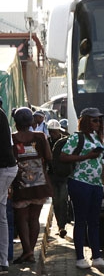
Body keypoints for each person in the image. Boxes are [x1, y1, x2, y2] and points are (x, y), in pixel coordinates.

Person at [60, 107, 104, 270]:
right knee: (80, 221)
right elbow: (63, 156)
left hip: (96, 185)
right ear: (85, 121)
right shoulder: (77, 137)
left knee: (94, 222)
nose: (98, 123)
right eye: (94, 120)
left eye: (99, 120)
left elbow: (99, 164)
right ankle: (80, 258)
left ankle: (96, 257)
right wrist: (86, 156)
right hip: (79, 183)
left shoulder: (97, 137)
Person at [9, 108, 52, 264]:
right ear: (31, 122)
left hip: (19, 183)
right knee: (34, 218)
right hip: (39, 183)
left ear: (15, 122)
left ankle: (27, 252)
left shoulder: (12, 138)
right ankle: (30, 253)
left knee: (22, 219)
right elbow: (49, 156)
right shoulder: (40, 137)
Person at [46, 119, 72, 238]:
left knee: (63, 200)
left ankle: (62, 225)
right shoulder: (47, 141)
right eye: (51, 132)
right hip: (52, 175)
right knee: (56, 201)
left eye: (54, 132)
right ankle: (60, 225)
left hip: (64, 176)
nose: (53, 134)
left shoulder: (65, 141)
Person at [0, 100, 15, 273]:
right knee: (2, 215)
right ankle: (3, 260)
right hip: (6, 169)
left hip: (3, 169)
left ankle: (3, 259)